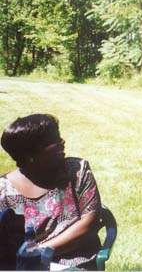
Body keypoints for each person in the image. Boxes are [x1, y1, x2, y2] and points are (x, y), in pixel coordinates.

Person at [0, 114, 102, 269]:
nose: (62, 142)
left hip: (74, 261)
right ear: (30, 154)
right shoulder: (4, 190)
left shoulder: (77, 171)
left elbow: (89, 224)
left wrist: (37, 252)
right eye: (54, 140)